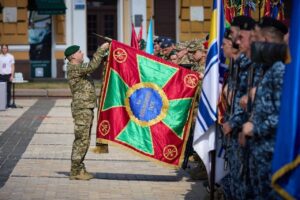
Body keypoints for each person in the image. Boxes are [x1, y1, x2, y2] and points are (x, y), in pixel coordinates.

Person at [65, 42, 109, 180]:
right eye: (79, 52)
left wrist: (105, 56)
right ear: (72, 57)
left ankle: (79, 168)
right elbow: (92, 66)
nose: (82, 53)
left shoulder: (78, 67)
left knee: (85, 140)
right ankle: (75, 171)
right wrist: (101, 49)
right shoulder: (73, 68)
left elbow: (93, 66)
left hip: (86, 108)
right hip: (82, 109)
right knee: (81, 140)